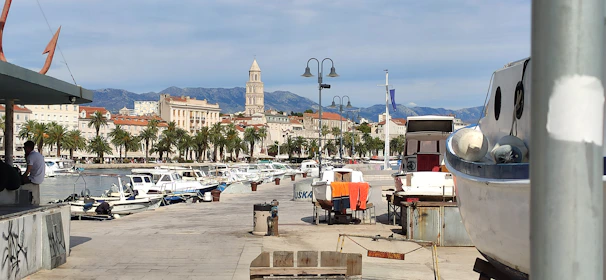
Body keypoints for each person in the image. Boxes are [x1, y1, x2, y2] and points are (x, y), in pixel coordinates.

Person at [21, 140, 45, 205]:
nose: (24, 149)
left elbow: (28, 171)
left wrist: (22, 177)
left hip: (34, 179)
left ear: (28, 148)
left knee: (18, 181)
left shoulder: (30, 156)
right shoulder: (37, 154)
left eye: (24, 148)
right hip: (39, 178)